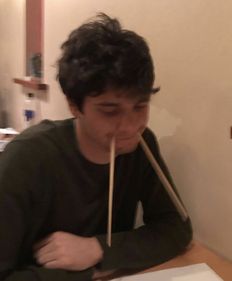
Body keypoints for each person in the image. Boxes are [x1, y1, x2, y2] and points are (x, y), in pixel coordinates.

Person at [0, 13, 192, 281]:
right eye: (110, 110)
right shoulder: (26, 158)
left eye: (140, 106)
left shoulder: (141, 144)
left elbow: (177, 229)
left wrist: (96, 249)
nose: (129, 126)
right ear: (74, 106)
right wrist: (92, 270)